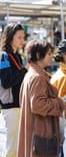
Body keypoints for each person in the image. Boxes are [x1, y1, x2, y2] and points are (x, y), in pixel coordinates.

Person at [17, 39, 65, 157]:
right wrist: (60, 102)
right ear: (38, 55)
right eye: (48, 54)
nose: (51, 57)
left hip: (36, 134)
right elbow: (38, 105)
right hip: (41, 135)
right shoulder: (37, 77)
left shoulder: (32, 74)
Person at [0, 23, 27, 157]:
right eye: (19, 38)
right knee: (12, 149)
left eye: (23, 37)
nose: (23, 41)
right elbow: (6, 82)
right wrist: (24, 71)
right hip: (11, 108)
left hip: (19, 106)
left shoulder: (17, 56)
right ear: (10, 37)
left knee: (18, 148)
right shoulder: (3, 56)